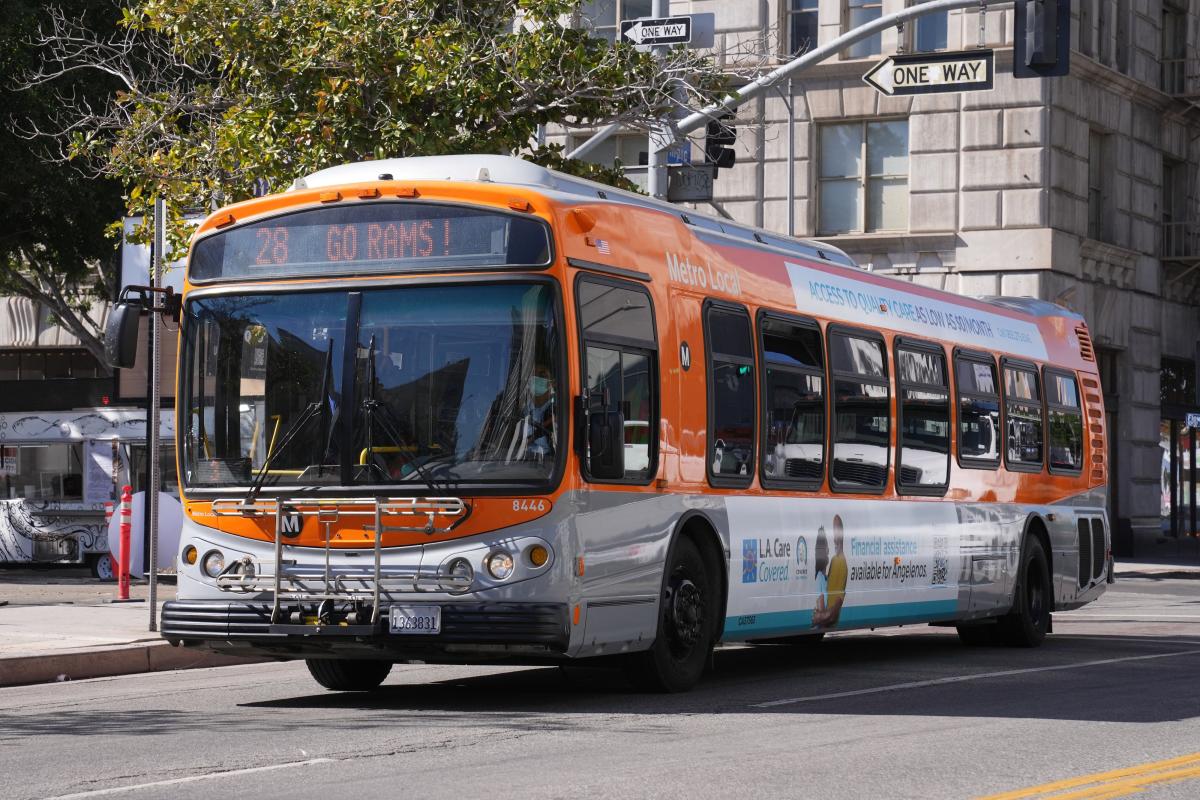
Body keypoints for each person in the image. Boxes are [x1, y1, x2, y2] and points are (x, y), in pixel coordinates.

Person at [814, 515, 848, 628]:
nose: (835, 538)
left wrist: (820, 617)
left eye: (837, 533)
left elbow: (833, 613)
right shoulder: (834, 560)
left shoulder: (842, 564)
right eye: (834, 533)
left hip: (829, 624)